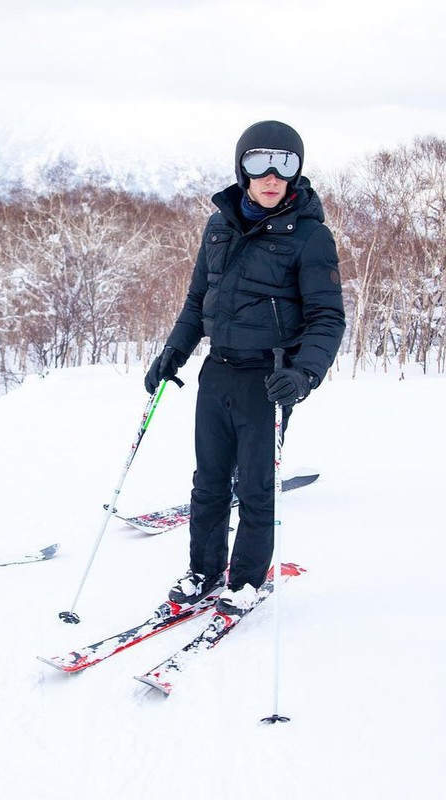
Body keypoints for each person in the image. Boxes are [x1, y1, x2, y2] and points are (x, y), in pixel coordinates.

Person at [145, 120, 345, 614]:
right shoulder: (219, 226)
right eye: (260, 164)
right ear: (242, 170)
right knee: (209, 482)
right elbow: (197, 300)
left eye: (286, 164)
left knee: (256, 486)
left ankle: (247, 580)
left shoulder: (311, 237)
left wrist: (303, 375)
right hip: (217, 371)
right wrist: (173, 352)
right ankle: (204, 570)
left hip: (269, 378)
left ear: (297, 173)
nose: (272, 176)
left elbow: (327, 317)